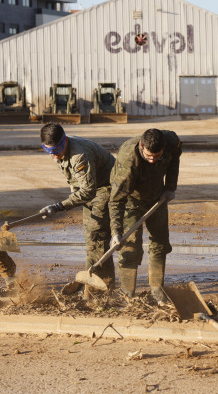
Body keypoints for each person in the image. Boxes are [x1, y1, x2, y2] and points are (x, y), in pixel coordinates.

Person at [40, 123, 116, 296]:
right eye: (48, 151)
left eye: (57, 150)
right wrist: (72, 197)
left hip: (107, 187)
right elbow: (76, 183)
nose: (54, 156)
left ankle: (103, 287)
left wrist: (59, 206)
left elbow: (88, 191)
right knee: (91, 236)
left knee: (97, 234)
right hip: (92, 188)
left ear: (65, 140)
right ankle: (92, 278)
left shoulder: (79, 156)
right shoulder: (60, 153)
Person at [110, 128, 182, 303]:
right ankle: (127, 293)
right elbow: (116, 200)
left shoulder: (172, 142)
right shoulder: (129, 160)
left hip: (157, 196)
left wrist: (170, 188)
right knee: (130, 246)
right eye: (148, 156)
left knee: (160, 242)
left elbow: (174, 162)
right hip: (130, 199)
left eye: (157, 157)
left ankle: (157, 290)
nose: (152, 160)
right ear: (141, 146)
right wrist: (116, 233)